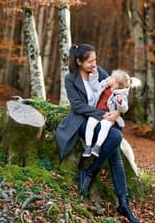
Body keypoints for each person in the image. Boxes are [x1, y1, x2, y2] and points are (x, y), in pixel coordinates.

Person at [56, 44, 140, 223]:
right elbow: (78, 106)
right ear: (79, 61)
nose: (94, 64)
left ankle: (123, 203)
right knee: (116, 137)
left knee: (115, 154)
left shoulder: (100, 72)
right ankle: (91, 171)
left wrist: (117, 113)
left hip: (103, 121)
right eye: (90, 61)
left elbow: (119, 90)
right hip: (83, 121)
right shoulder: (70, 79)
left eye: (95, 60)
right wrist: (103, 114)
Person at [83, 68, 141, 158]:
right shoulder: (104, 85)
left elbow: (124, 109)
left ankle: (97, 146)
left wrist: (120, 102)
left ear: (116, 83)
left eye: (111, 78)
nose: (108, 78)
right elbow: (95, 86)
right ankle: (88, 145)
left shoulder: (121, 95)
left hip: (108, 116)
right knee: (90, 123)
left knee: (105, 126)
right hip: (97, 112)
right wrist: (94, 75)